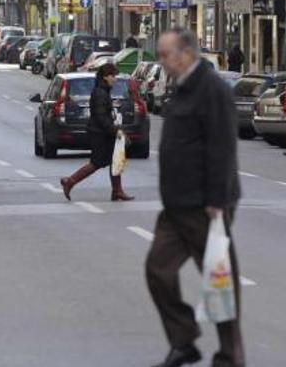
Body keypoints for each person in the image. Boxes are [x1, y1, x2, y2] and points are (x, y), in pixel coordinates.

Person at [146, 27, 245, 367]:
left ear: (186, 53)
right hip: (175, 206)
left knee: (219, 281)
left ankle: (231, 356)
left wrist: (217, 201)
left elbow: (222, 147)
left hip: (206, 205)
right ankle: (184, 338)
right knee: (158, 270)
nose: (161, 61)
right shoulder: (181, 87)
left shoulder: (212, 89)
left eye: (165, 55)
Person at [60, 63, 134, 202]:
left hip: (103, 132)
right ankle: (69, 182)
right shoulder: (100, 92)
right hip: (100, 134)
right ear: (106, 77)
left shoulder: (103, 90)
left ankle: (117, 191)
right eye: (113, 76)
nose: (115, 79)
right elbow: (100, 117)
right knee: (96, 163)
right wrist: (114, 130)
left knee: (115, 160)